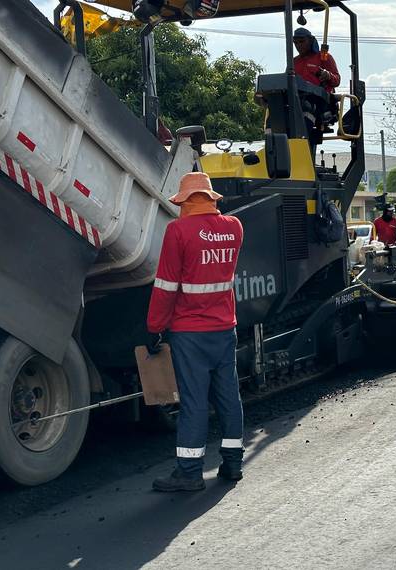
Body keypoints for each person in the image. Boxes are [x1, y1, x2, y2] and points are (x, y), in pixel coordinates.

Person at [146, 172, 245, 492]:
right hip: (225, 328)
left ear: (186, 202)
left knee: (193, 402)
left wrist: (154, 327)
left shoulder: (178, 231)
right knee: (229, 396)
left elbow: (165, 287)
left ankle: (189, 472)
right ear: (210, 198)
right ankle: (232, 464)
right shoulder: (234, 228)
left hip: (190, 333)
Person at [293, 28, 340, 94]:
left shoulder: (324, 57)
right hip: (298, 100)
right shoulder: (294, 62)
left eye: (302, 41)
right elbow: (286, 81)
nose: (298, 45)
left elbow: (337, 80)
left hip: (320, 100)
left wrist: (329, 75)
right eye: (295, 42)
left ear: (310, 41)